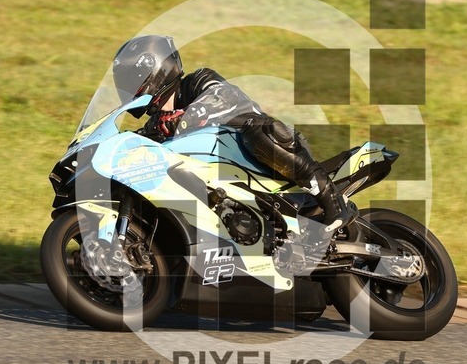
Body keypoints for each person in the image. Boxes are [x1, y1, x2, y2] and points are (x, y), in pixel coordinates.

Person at [112, 35, 357, 234]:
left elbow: (219, 98)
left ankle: (332, 201)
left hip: (269, 154)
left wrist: (181, 119)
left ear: (154, 71)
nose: (127, 89)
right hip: (226, 185)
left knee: (260, 132)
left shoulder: (199, 81)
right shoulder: (155, 126)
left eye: (130, 80)